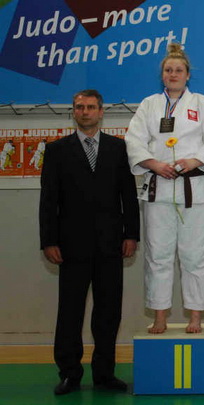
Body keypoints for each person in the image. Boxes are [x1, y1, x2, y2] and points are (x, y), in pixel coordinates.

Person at [39, 89, 140, 395]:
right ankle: (70, 373)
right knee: (70, 312)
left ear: (101, 111)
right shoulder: (57, 150)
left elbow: (128, 196)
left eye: (91, 107)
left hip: (111, 243)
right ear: (74, 111)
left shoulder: (118, 148)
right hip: (70, 246)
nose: (85, 112)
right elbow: (48, 200)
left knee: (108, 312)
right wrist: (48, 241)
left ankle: (104, 374)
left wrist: (131, 234)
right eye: (80, 107)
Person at [125, 43, 204, 334]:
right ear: (162, 75)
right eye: (168, 70)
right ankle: (160, 316)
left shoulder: (202, 104)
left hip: (194, 189)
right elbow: (134, 140)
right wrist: (154, 164)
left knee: (195, 255)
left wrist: (194, 160)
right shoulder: (149, 105)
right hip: (158, 189)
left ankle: (195, 316)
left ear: (188, 74)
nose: (173, 74)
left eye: (178, 70)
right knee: (158, 255)